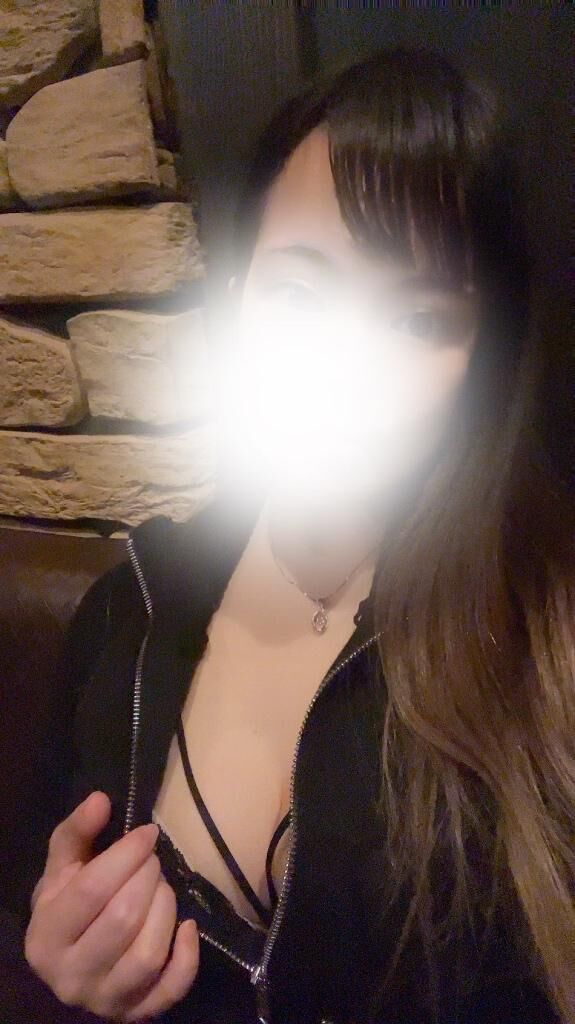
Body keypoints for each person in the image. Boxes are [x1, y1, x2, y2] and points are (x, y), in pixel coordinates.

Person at [22, 47, 573, 1024]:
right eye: (300, 295)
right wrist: (59, 967)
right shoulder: (128, 612)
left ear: (484, 357)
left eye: (417, 320)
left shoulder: (544, 639)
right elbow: (31, 893)